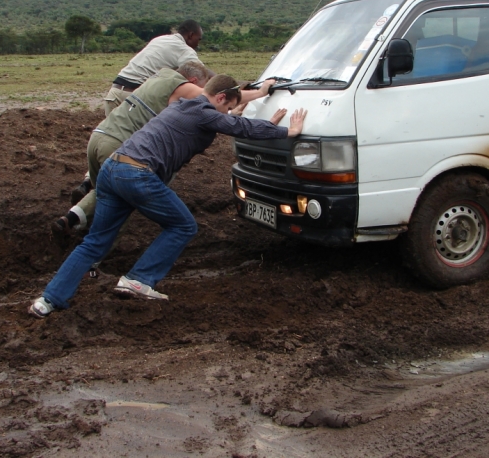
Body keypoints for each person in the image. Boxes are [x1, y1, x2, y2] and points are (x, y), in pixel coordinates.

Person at [30, 75, 306, 317]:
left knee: (94, 243)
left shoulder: (185, 106)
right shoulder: (204, 111)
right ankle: (138, 279)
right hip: (136, 175)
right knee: (184, 225)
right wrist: (286, 131)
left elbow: (230, 123)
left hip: (112, 171)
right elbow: (239, 127)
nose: (229, 112)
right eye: (230, 106)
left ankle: (48, 300)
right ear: (220, 97)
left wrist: (260, 120)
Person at [56, 65, 276, 235]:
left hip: (98, 136)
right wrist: (260, 92)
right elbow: (217, 97)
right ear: (194, 81)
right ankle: (95, 262)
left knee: (102, 191)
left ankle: (72, 219)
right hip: (121, 146)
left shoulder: (159, 76)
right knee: (119, 206)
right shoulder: (184, 88)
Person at [103, 19, 204, 116]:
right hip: (134, 97)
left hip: (114, 93)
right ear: (191, 35)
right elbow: (200, 73)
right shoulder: (184, 49)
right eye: (198, 39)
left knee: (112, 133)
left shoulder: (160, 39)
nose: (198, 44)